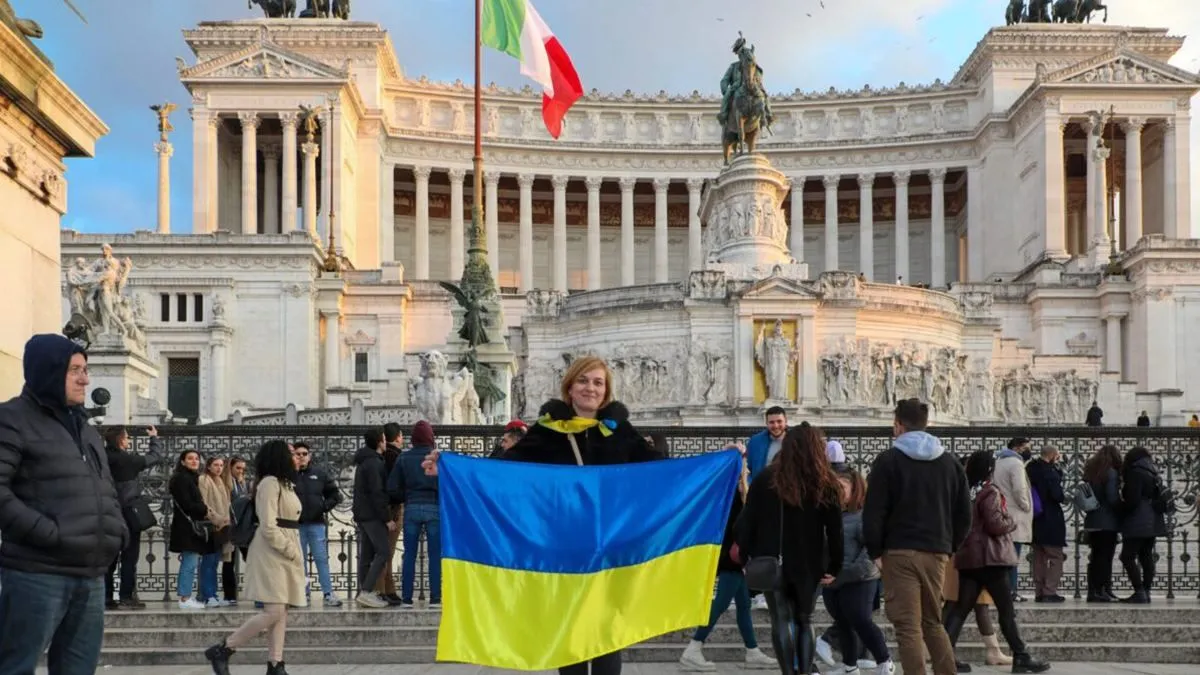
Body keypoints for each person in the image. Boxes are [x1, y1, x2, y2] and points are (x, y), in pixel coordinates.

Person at [424, 355, 663, 675]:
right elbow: (505, 470)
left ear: (606, 391)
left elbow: (660, 469)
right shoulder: (549, 430)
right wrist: (452, 468)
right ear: (570, 387)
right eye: (583, 380)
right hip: (563, 551)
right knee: (570, 636)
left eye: (597, 382)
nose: (590, 388)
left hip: (608, 549)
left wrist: (722, 463)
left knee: (608, 639)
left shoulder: (619, 431)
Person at [0, 334, 127, 675]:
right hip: (36, 573)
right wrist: (48, 533)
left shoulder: (85, 427)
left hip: (91, 576)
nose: (85, 379)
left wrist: (117, 529)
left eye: (85, 370)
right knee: (14, 667)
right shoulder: (10, 419)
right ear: (48, 371)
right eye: (75, 370)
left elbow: (106, 486)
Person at [862, 398, 970, 675]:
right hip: (936, 551)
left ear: (898, 425)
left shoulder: (888, 461)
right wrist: (950, 545)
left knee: (907, 626)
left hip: (899, 551)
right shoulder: (949, 462)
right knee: (933, 622)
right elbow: (964, 514)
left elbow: (874, 511)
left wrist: (875, 550)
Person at [734, 424, 842, 675]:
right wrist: (835, 565)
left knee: (780, 619)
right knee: (806, 620)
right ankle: (804, 671)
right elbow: (835, 531)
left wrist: (745, 556)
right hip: (810, 562)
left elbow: (746, 522)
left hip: (773, 559)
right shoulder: (826, 483)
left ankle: (788, 672)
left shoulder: (766, 479)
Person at [204, 440, 307, 675]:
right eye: (291, 453)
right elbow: (268, 525)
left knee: (281, 609)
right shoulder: (270, 484)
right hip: (273, 551)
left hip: (284, 548)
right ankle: (224, 648)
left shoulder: (285, 483)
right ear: (280, 456)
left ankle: (275, 663)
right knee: (273, 610)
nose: (297, 457)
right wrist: (291, 550)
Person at [943, 451, 1050, 674]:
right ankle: (1021, 655)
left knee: (960, 610)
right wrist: (1010, 521)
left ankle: (945, 656)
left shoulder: (965, 491)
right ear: (989, 469)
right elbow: (995, 524)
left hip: (969, 558)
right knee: (1006, 610)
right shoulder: (989, 491)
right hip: (991, 559)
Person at [678, 449, 776, 671]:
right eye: (746, 471)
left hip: (736, 557)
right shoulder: (732, 497)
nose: (749, 473)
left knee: (743, 605)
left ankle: (752, 651)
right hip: (731, 558)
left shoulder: (738, 496)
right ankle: (693, 648)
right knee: (720, 603)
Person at [821, 467, 894, 675]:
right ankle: (850, 666)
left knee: (860, 619)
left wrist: (848, 573)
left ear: (855, 489)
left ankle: (885, 661)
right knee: (843, 623)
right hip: (832, 580)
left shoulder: (864, 516)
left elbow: (870, 550)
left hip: (860, 579)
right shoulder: (830, 515)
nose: (836, 491)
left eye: (842, 487)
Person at [104, 424, 163, 610]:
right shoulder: (127, 460)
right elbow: (154, 457)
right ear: (121, 440)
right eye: (127, 437)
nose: (129, 440)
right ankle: (126, 597)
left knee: (109, 558)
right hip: (129, 512)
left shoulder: (103, 458)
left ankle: (106, 598)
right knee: (129, 557)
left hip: (107, 512)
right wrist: (154, 438)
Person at [389, 420, 442, 608]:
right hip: (434, 507)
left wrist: (408, 495)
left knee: (409, 554)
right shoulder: (437, 458)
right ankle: (436, 598)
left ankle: (406, 598)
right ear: (430, 437)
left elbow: (392, 487)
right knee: (435, 555)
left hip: (411, 507)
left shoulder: (403, 458)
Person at [293, 441, 342, 607]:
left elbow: (335, 495)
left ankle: (328, 593)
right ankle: (302, 593)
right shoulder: (289, 476)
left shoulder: (319, 474)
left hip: (316, 524)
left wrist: (323, 507)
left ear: (309, 456)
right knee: (299, 561)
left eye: (304, 454)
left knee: (321, 559)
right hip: (296, 525)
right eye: (298, 454)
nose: (301, 457)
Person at [1118, 446, 1168, 603]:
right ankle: (1146, 591)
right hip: (1153, 520)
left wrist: (1120, 506)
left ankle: (1139, 591)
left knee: (1126, 556)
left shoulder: (1135, 473)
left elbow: (1132, 500)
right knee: (1146, 556)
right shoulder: (1153, 471)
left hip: (1138, 520)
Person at [941, 559, 1012, 671]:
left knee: (974, 603)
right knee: (956, 603)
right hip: (971, 558)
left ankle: (993, 651)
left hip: (970, 558)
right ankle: (944, 652)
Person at [169, 449, 216, 609]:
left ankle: (186, 596)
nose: (194, 461)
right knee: (189, 563)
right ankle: (184, 598)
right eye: (190, 458)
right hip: (187, 527)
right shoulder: (182, 479)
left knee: (191, 562)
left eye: (196, 458)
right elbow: (187, 504)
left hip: (190, 526)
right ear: (182, 461)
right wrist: (204, 509)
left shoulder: (192, 478)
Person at [353, 428, 394, 608]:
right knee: (383, 551)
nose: (386, 442)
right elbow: (377, 492)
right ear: (379, 442)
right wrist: (387, 518)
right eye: (384, 439)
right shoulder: (375, 464)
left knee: (367, 555)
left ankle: (364, 592)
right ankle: (367, 591)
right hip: (372, 515)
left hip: (362, 513)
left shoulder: (364, 462)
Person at [992, 439, 1033, 603]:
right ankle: (1011, 591)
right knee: (1013, 556)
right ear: (1017, 448)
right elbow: (1019, 489)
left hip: (1001, 511)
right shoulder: (1016, 463)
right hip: (1014, 514)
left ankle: (1002, 590)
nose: (1029, 451)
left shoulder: (998, 461)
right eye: (1026, 447)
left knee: (1003, 555)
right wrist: (1026, 505)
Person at [1081, 444, 1122, 602]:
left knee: (1096, 557)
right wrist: (1122, 507)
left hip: (1092, 519)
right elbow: (1112, 498)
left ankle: (1094, 590)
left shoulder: (1092, 472)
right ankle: (1102, 589)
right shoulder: (1110, 473)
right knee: (1105, 557)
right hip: (1107, 521)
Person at [1026, 446, 1066, 602]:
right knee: (1056, 556)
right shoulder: (1050, 473)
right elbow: (1058, 496)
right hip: (1050, 518)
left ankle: (1039, 591)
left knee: (1039, 556)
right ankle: (1049, 591)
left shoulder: (1031, 469)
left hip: (1035, 518)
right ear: (1053, 456)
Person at [376, 422, 405, 605]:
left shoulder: (383, 457)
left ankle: (388, 588)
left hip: (386, 508)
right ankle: (383, 590)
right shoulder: (395, 458)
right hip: (392, 509)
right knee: (387, 551)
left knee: (386, 552)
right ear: (397, 437)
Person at [745, 406, 787, 484]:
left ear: (786, 421)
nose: (776, 426)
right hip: (761, 489)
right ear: (766, 423)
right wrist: (751, 486)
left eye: (779, 421)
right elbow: (747, 468)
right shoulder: (755, 441)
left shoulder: (795, 442)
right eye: (771, 422)